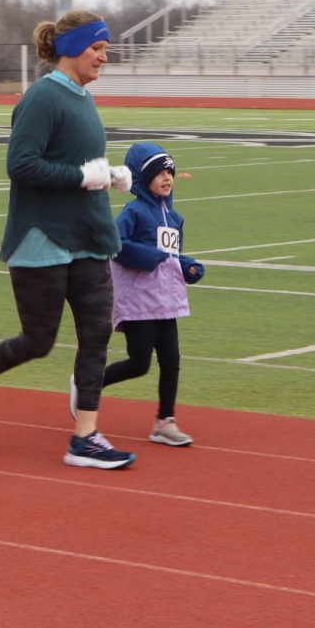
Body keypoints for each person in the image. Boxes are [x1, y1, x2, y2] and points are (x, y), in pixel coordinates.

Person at [0, 9, 136, 470]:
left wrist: (110, 175)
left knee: (97, 334)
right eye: (97, 47)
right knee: (37, 340)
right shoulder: (43, 98)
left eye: (105, 48)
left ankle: (85, 437)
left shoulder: (83, 98)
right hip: (42, 239)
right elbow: (21, 165)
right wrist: (82, 176)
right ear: (70, 49)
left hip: (89, 236)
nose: (105, 56)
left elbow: (81, 165)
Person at [95, 142, 204, 446]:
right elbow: (113, 244)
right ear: (142, 179)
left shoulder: (175, 218)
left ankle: (164, 422)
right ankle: (89, 383)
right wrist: (145, 256)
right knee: (139, 363)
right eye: (159, 173)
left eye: (170, 171)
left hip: (167, 302)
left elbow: (169, 256)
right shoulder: (133, 211)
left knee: (171, 360)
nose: (167, 178)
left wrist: (188, 266)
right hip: (139, 302)